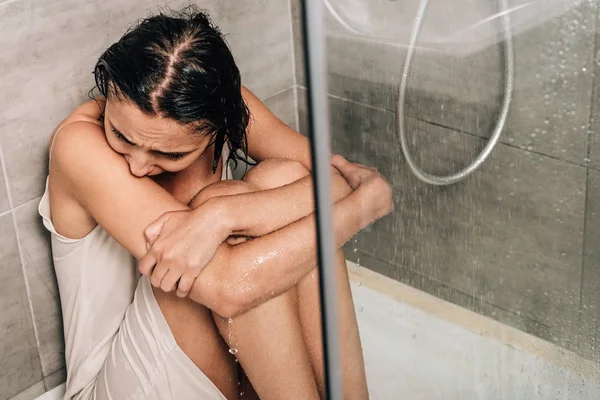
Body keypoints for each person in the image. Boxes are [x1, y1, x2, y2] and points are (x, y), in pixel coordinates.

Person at [39, 6, 392, 400]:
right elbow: (228, 288)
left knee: (283, 178)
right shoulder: (78, 147)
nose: (137, 166)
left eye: (169, 154)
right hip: (123, 384)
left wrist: (224, 215)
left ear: (217, 128)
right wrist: (364, 207)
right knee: (236, 221)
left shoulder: (217, 103)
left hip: (223, 358)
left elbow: (336, 181)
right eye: (121, 135)